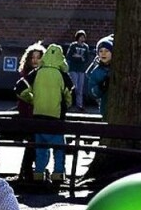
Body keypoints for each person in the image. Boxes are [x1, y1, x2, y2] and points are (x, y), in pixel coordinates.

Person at [15, 44, 74, 183]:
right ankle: (58, 173)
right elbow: (70, 95)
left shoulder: (37, 72)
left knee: (41, 148)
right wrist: (65, 105)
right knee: (59, 149)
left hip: (38, 117)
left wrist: (32, 99)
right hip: (56, 118)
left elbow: (19, 88)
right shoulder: (63, 75)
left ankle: (39, 173)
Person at [16, 42, 46, 181]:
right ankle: (26, 170)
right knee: (32, 141)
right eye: (32, 57)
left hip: (38, 113)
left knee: (37, 142)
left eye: (38, 57)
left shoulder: (44, 74)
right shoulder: (27, 75)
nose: (35, 60)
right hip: (27, 113)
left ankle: (29, 169)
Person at [85, 35, 114, 119]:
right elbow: (92, 92)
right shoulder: (97, 71)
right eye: (100, 51)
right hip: (106, 109)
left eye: (107, 51)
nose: (103, 53)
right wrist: (101, 87)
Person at [65, 30, 90, 111]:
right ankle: (68, 103)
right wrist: (75, 56)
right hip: (73, 68)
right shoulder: (73, 45)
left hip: (81, 69)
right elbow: (69, 56)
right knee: (74, 86)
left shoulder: (85, 47)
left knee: (80, 88)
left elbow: (86, 58)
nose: (82, 39)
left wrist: (80, 57)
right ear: (78, 37)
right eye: (81, 37)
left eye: (83, 37)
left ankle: (80, 105)